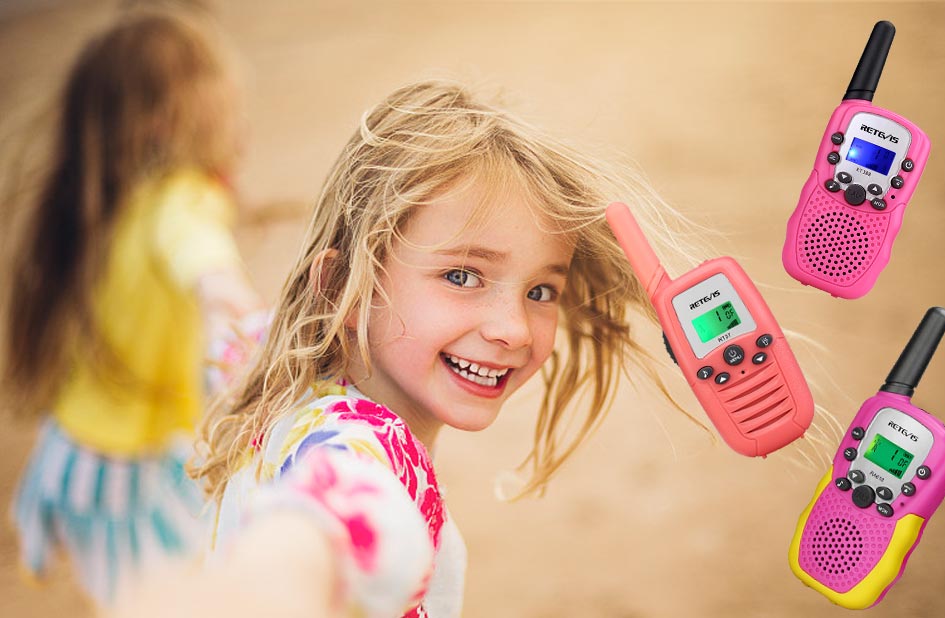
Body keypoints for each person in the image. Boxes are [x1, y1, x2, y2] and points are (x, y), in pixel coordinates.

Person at [136, 79, 712, 618]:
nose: (512, 329)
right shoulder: (369, 448)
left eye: (541, 291)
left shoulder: (273, 367)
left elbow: (234, 327)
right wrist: (283, 571)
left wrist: (213, 279)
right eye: (463, 276)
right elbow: (337, 507)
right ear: (344, 287)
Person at [0, 7, 260, 607]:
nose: (240, 126)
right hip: (122, 469)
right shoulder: (179, 202)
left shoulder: (108, 200)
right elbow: (200, 256)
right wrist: (238, 305)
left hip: (80, 449)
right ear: (169, 122)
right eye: (227, 109)